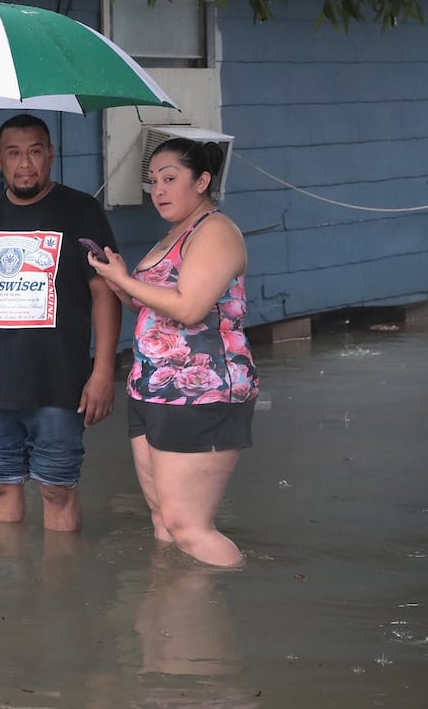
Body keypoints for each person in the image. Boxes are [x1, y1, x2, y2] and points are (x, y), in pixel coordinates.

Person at [0, 113, 122, 532]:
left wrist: (102, 372)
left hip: (60, 383)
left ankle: (60, 591)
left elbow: (105, 292)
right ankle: (8, 587)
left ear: (51, 156)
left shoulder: (81, 211)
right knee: (0, 488)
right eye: (14, 154)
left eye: (36, 152)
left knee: (57, 490)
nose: (26, 163)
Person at [87, 138, 257, 568]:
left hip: (202, 394)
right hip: (154, 388)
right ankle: (173, 612)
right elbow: (152, 307)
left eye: (169, 179)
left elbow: (190, 307)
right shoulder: (174, 234)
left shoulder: (215, 231)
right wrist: (117, 280)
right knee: (164, 520)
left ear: (201, 181)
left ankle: (236, 604)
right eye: (152, 182)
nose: (158, 190)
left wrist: (125, 282)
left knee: (190, 527)